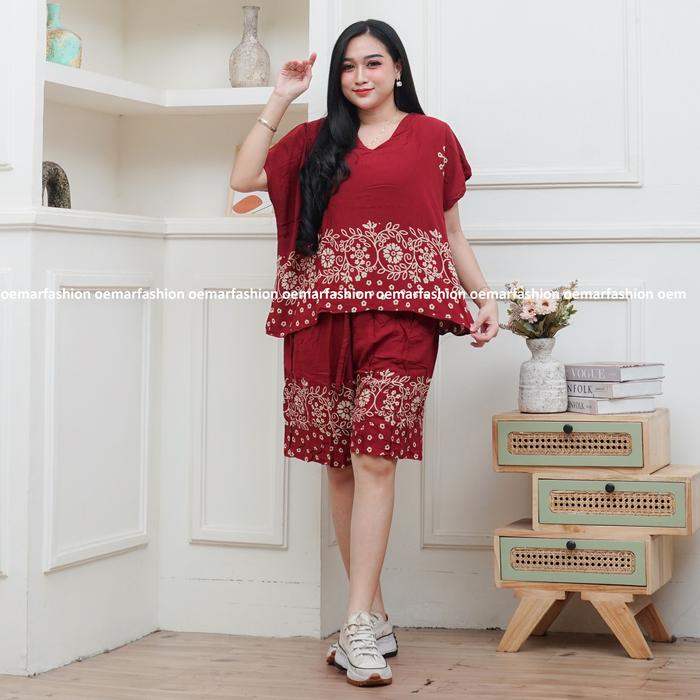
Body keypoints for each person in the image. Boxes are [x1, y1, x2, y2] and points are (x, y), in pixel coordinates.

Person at [231, 18, 498, 688]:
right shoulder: (315, 140)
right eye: (348, 66)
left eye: (374, 63)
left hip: (404, 318)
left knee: (375, 454)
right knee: (342, 469)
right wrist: (281, 97)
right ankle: (373, 616)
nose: (360, 76)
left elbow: (452, 233)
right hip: (322, 316)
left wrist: (484, 296)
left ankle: (353, 624)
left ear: (398, 68)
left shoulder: (434, 138)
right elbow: (242, 175)